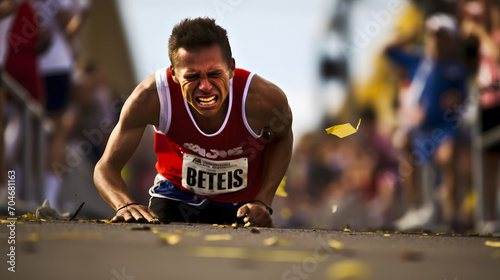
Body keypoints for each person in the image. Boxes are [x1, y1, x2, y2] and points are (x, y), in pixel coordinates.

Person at [93, 17, 293, 227]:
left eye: (215, 74)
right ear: (174, 75)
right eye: (192, 76)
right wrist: (123, 204)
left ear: (232, 68)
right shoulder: (151, 98)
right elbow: (105, 167)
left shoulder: (263, 99)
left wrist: (263, 201)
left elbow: (283, 137)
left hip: (241, 204)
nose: (205, 86)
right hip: (176, 196)